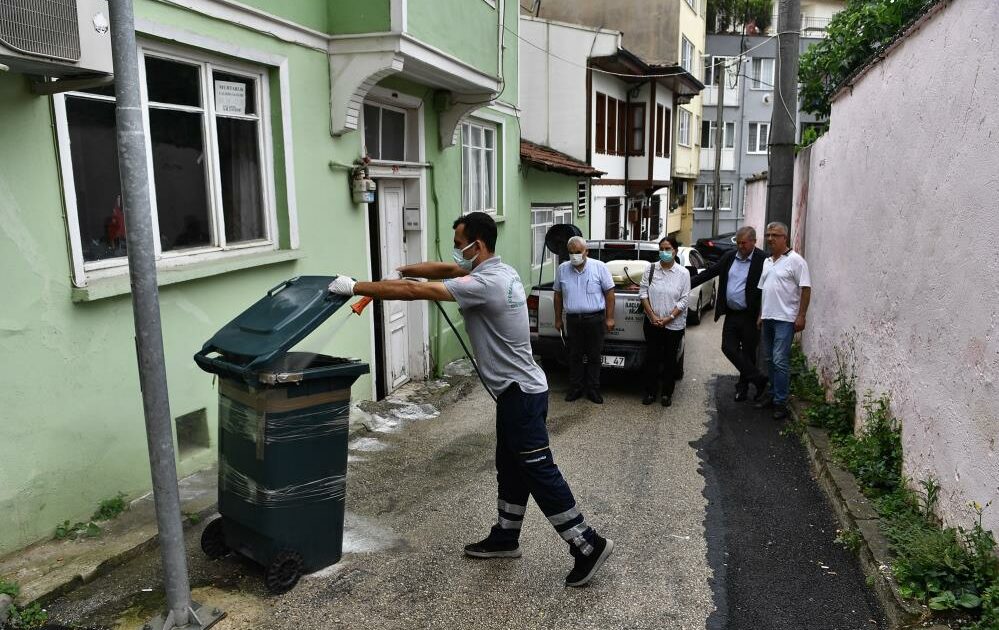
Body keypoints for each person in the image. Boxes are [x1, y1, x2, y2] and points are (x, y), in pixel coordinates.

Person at [327, 211, 614, 587]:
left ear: (476, 246)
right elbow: (444, 269)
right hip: (518, 391)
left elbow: (419, 291)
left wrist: (356, 287)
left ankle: (586, 544)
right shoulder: (500, 271)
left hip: (521, 395)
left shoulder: (483, 284)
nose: (456, 252)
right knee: (510, 466)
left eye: (460, 243)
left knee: (538, 469)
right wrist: (401, 269)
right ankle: (506, 536)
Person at [690, 226, 768, 402]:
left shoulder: (763, 260)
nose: (740, 246)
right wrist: (686, 284)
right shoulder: (730, 257)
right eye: (738, 243)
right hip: (732, 313)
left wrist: (763, 313)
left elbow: (769, 289)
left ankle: (743, 388)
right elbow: (710, 273)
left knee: (748, 354)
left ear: (754, 242)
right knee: (728, 347)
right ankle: (759, 379)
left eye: (744, 243)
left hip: (750, 314)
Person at [755, 221, 812, 420]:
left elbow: (805, 288)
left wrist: (801, 315)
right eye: (768, 235)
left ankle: (781, 401)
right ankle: (772, 394)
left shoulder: (796, 261)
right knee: (769, 359)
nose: (770, 239)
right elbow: (764, 290)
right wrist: (761, 314)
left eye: (775, 235)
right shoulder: (767, 261)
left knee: (780, 360)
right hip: (768, 317)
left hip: (785, 319)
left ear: (784, 238)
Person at [553, 236, 615, 404]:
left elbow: (609, 294)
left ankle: (593, 389)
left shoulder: (599, 267)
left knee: (594, 355)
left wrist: (610, 318)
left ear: (586, 252)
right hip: (573, 320)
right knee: (575, 356)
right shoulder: (562, 269)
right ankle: (576, 388)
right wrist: (558, 319)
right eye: (571, 253)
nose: (575, 256)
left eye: (578, 252)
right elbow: (557, 296)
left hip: (595, 319)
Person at [639, 236, 690, 407]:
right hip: (652, 323)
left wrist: (669, 318)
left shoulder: (683, 273)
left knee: (670, 359)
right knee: (652, 358)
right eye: (661, 249)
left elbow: (683, 300)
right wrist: (653, 316)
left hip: (673, 325)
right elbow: (643, 293)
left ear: (675, 251)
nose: (664, 252)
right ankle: (651, 392)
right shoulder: (651, 269)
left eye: (668, 249)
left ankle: (667, 394)